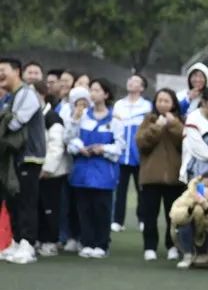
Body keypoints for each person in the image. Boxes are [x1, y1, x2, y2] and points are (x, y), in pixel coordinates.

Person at [64, 80, 124, 259]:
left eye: (97, 90)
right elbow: (69, 138)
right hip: (83, 169)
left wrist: (103, 149)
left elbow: (120, 146)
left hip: (104, 172)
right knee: (84, 209)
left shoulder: (115, 119)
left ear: (106, 94)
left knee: (102, 209)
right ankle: (87, 242)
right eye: (91, 90)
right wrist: (79, 147)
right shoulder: (82, 115)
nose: (93, 94)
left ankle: (102, 244)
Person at [0, 57, 45, 264]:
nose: (0, 75)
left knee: (27, 201)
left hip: (29, 156)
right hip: (14, 156)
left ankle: (28, 243)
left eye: (3, 70)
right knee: (14, 200)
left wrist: (4, 119)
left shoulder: (27, 94)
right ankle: (16, 241)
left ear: (17, 71)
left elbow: (14, 123)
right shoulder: (11, 96)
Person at [135, 88, 185, 262]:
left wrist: (173, 124)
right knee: (150, 215)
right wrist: (157, 127)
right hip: (151, 177)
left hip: (174, 178)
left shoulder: (181, 120)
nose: (162, 104)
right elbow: (141, 143)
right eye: (159, 101)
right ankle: (150, 247)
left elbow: (185, 142)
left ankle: (172, 246)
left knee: (174, 216)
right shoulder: (149, 120)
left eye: (166, 101)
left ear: (173, 104)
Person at [111, 73, 152, 232]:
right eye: (130, 80)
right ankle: (117, 221)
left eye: (136, 81)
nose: (131, 82)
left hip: (139, 156)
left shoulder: (147, 106)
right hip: (121, 155)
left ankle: (143, 219)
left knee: (142, 190)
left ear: (142, 88)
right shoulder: (119, 105)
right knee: (120, 190)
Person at [36, 79, 68, 257]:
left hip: (52, 173)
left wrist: (47, 168)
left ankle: (50, 241)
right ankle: (38, 238)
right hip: (34, 169)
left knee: (50, 207)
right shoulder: (32, 116)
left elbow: (56, 146)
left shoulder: (52, 117)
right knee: (36, 206)